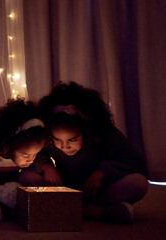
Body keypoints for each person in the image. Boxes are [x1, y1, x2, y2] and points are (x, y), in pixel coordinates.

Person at [19, 81, 149, 224]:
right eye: (57, 139)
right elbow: (36, 154)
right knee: (26, 176)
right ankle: (94, 212)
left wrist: (102, 173)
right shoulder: (48, 137)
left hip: (97, 191)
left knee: (139, 183)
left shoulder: (105, 134)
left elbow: (135, 162)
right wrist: (46, 167)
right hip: (64, 189)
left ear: (86, 131)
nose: (64, 146)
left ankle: (71, 208)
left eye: (72, 139)